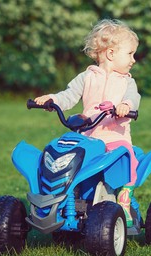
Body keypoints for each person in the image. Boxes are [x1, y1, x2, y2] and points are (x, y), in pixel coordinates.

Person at [34, 19, 141, 227]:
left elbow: (133, 98)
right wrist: (53, 100)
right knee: (65, 161)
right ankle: (64, 200)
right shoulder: (87, 77)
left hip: (114, 138)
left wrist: (125, 106)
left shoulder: (127, 81)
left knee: (128, 157)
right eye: (130, 54)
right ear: (111, 54)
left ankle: (125, 197)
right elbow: (69, 95)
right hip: (89, 138)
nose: (133, 60)